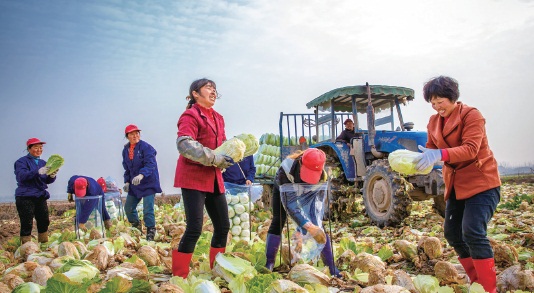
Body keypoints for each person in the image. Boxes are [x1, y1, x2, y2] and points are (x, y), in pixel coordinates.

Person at [414, 76, 501, 293]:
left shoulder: (472, 115)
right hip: (455, 185)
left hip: (481, 183)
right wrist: (420, 162)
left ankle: (489, 288)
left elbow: (471, 149)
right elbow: (430, 149)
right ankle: (476, 281)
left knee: (472, 231)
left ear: (452, 97)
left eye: (440, 101)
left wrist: (439, 154)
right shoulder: (433, 122)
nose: (436, 107)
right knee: (453, 234)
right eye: (432, 103)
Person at [172, 78, 235, 278]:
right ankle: (178, 277)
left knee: (223, 226)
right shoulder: (190, 115)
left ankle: (218, 270)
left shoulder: (219, 118)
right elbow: (184, 144)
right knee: (194, 228)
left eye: (215, 89)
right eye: (208, 88)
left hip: (214, 177)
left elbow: (222, 144)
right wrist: (215, 158)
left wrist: (230, 154)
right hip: (193, 177)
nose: (213, 91)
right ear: (195, 94)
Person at [265, 148, 341, 277]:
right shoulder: (286, 169)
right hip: (285, 188)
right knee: (278, 220)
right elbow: (291, 205)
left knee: (319, 227)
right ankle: (269, 263)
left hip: (306, 191)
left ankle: (331, 267)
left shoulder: (323, 177)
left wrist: (311, 228)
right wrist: (308, 226)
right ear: (301, 162)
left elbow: (315, 208)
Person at [14, 138, 59, 244]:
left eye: (41, 147)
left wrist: (52, 175)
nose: (39, 150)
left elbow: (47, 180)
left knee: (44, 221)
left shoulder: (44, 163)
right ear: (29, 149)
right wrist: (37, 171)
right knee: (27, 223)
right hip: (25, 196)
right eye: (36, 147)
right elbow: (22, 176)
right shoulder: (21, 162)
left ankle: (43, 244)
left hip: (40, 195)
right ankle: (25, 248)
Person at [122, 124, 162, 241]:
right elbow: (127, 168)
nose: (135, 136)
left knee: (147, 208)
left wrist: (142, 174)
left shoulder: (146, 147)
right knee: (128, 207)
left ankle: (151, 230)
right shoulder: (126, 150)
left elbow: (151, 164)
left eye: (137, 133)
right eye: (132, 134)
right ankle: (136, 225)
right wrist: (127, 181)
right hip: (135, 184)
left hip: (148, 182)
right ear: (127, 136)